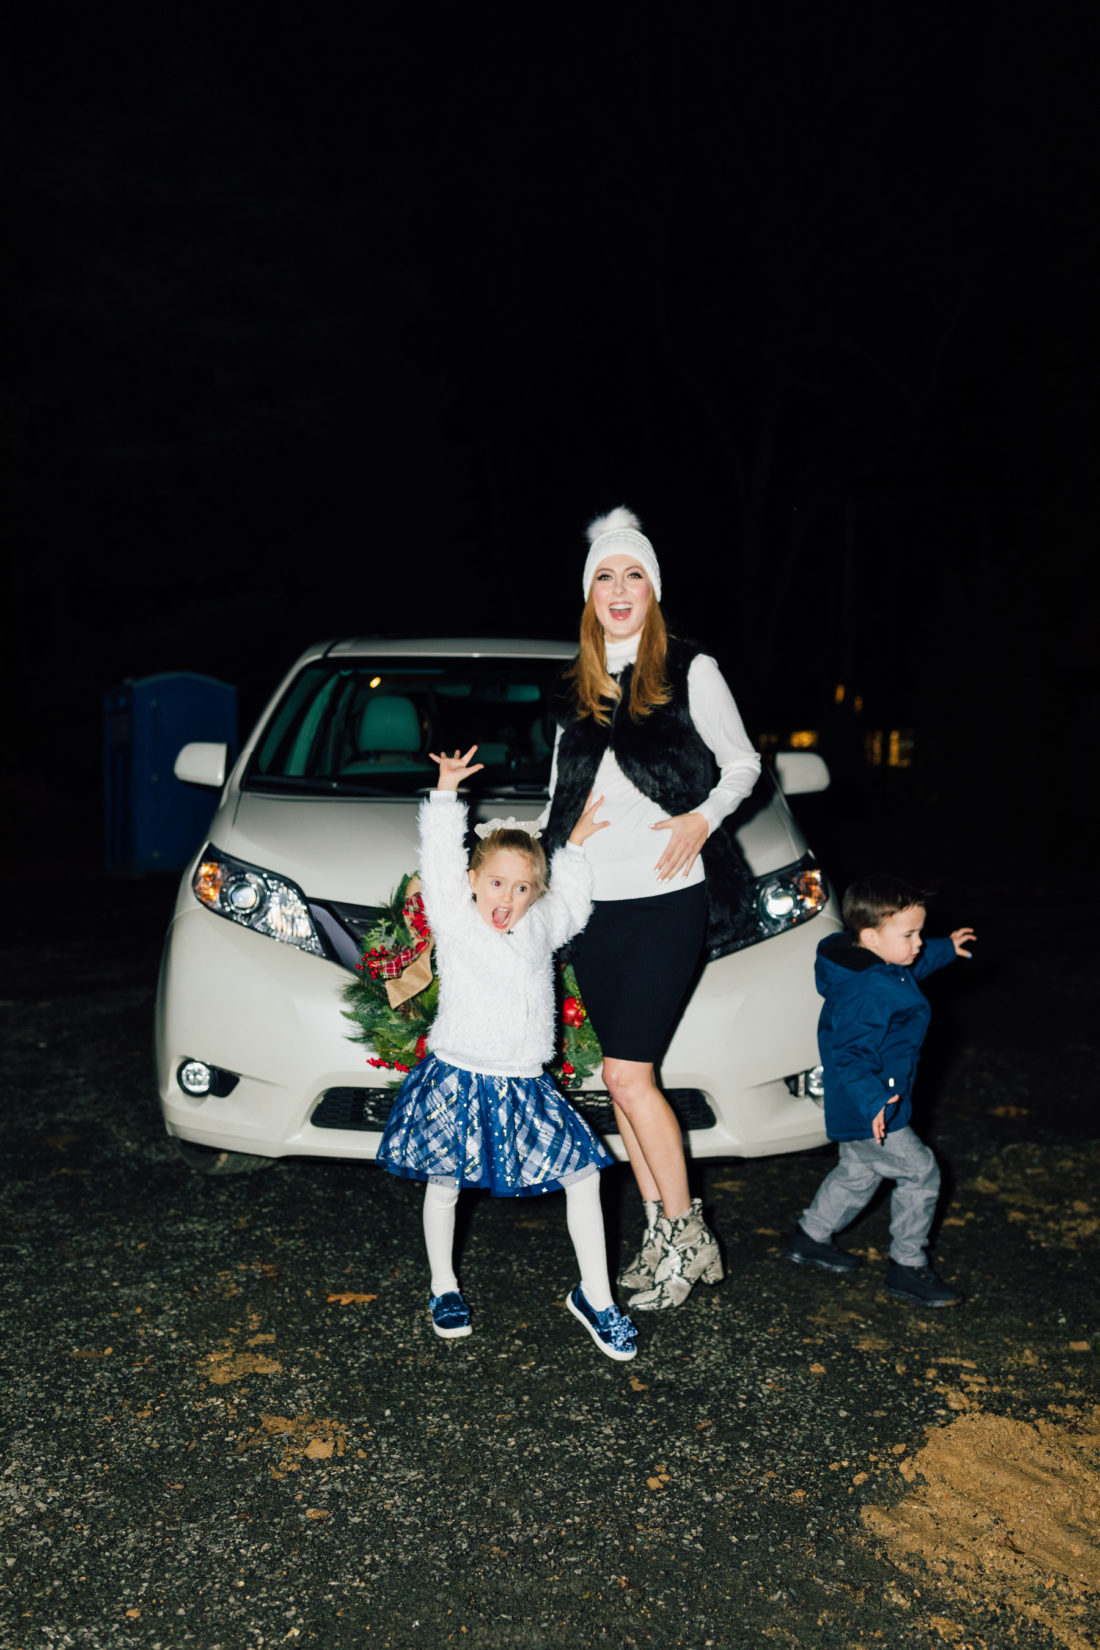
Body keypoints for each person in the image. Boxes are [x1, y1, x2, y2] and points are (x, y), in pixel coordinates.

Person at [540, 507, 762, 1310]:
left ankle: (688, 1237)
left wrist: (703, 817)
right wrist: (538, 854)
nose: (619, 588)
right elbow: (553, 802)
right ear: (590, 593)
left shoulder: (690, 669)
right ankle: (664, 1237)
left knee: (630, 1076)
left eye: (633, 573)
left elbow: (743, 764)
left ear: (653, 590)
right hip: (593, 907)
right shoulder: (579, 687)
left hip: (669, 900)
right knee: (619, 1075)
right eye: (605, 574)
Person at [376, 745, 639, 1361]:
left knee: (583, 1175)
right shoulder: (458, 918)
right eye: (497, 882)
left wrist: (573, 848)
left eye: (522, 888)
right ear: (473, 881)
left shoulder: (541, 924)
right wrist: (445, 795)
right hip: (459, 1074)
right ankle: (443, 1286)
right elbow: (438, 860)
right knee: (445, 1183)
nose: (508, 897)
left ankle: (597, 1298)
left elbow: (571, 904)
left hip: (525, 1082)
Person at [785, 874, 976, 1306]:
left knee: (858, 1173)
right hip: (872, 1104)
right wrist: (874, 1102)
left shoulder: (875, 966)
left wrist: (946, 947)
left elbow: (906, 974)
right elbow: (850, 1054)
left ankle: (810, 1236)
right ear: (870, 936)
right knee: (921, 1172)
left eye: (920, 933)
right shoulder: (866, 989)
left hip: (870, 1099)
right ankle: (907, 1266)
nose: (918, 943)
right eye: (909, 934)